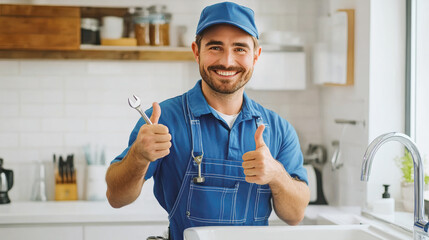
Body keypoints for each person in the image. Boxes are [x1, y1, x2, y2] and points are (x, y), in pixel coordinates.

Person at [106, 2, 310, 240]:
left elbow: (295, 215)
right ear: (196, 51)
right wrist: (138, 157)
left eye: (240, 49)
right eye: (215, 47)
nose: (227, 61)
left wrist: (276, 174)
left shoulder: (279, 129)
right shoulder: (160, 121)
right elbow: (116, 198)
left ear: (256, 55)